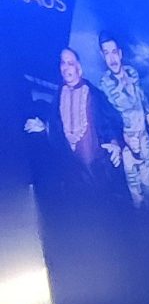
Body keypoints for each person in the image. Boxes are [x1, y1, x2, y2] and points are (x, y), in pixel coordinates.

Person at [24, 47, 123, 194]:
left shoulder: (94, 95)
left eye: (70, 63)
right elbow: (56, 126)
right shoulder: (59, 95)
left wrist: (115, 143)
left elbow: (112, 121)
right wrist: (44, 127)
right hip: (71, 172)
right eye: (63, 63)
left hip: (97, 169)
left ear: (79, 68)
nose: (66, 67)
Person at [98, 33, 149, 208]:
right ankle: (140, 216)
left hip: (143, 137)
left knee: (148, 181)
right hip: (127, 143)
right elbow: (111, 116)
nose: (112, 58)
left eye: (114, 52)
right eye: (106, 53)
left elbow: (141, 95)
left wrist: (148, 112)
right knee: (135, 188)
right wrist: (124, 141)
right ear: (102, 56)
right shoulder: (105, 83)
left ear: (120, 53)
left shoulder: (132, 72)